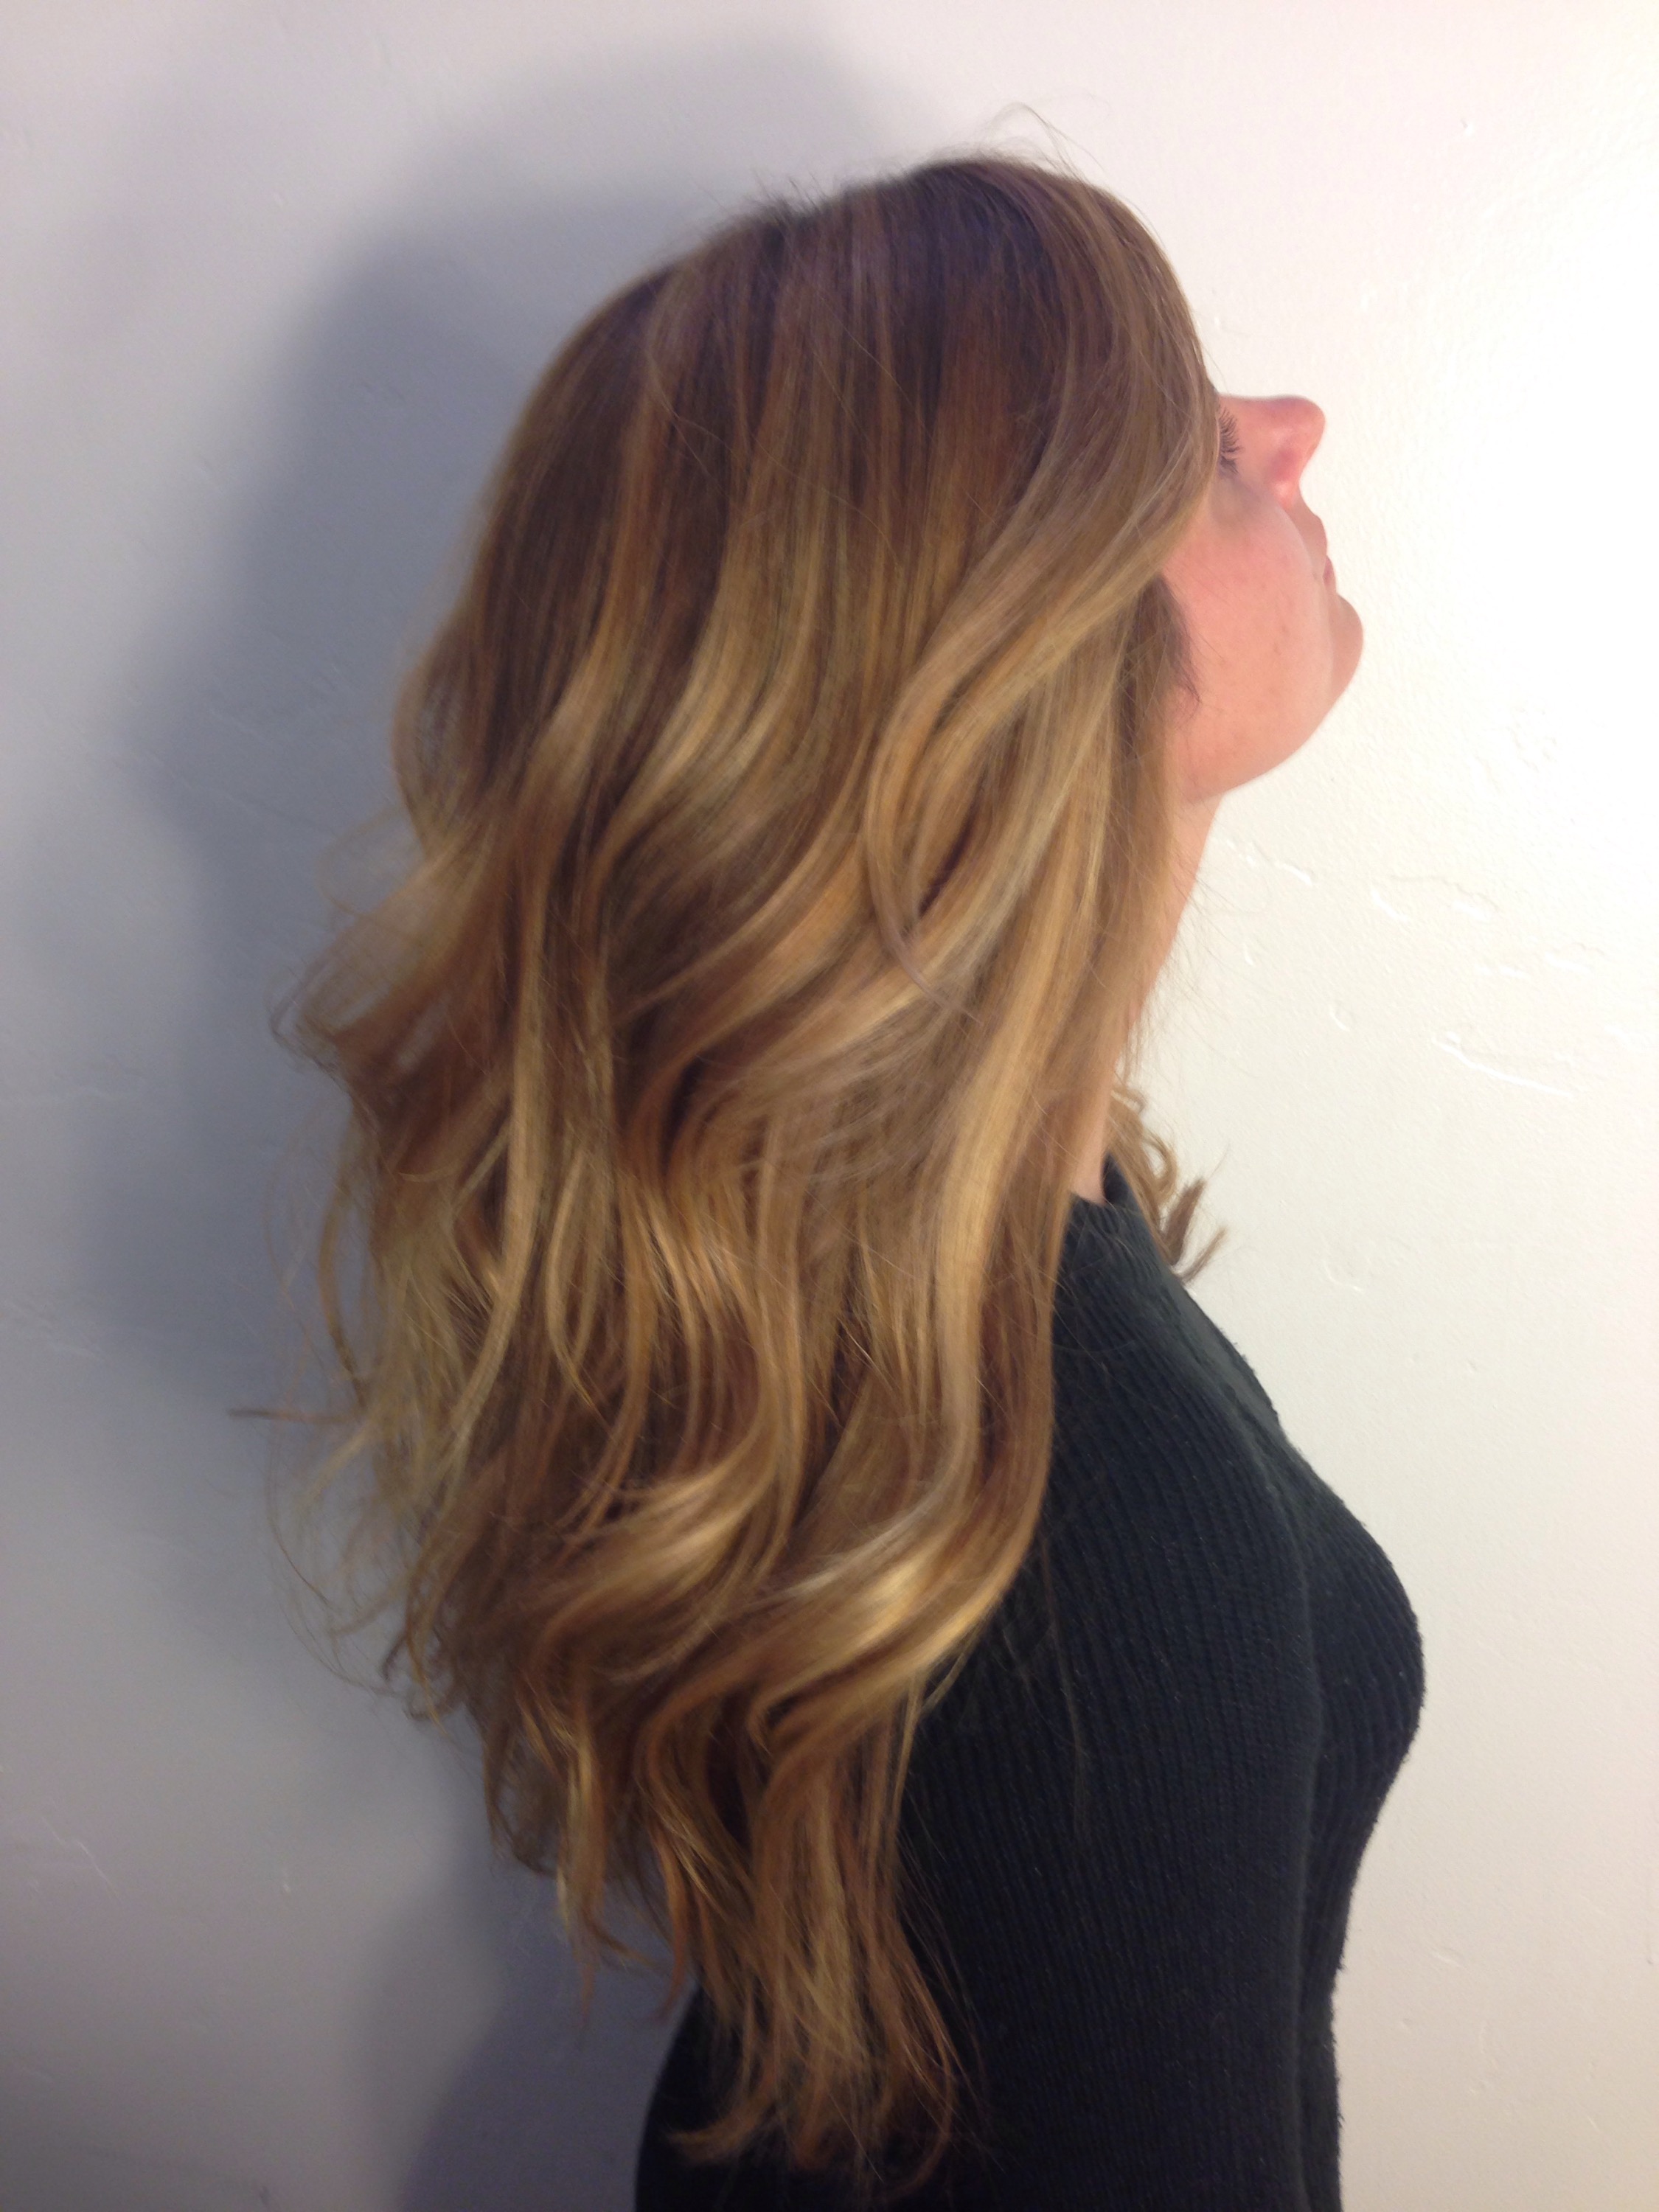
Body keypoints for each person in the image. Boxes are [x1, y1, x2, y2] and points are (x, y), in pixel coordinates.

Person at [279, 150, 1422, 2211]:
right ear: (1004, 653)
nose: (1290, 426)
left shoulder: (923, 1263)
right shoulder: (1086, 1516)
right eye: (1185, 445)